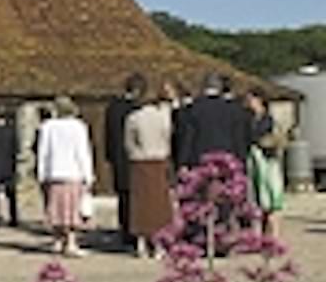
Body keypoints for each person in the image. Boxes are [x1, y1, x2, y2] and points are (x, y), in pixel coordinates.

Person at [36, 96, 96, 258]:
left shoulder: (47, 126)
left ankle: (57, 241)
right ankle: (70, 242)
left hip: (54, 173)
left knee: (56, 209)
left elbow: (43, 152)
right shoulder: (78, 127)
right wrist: (88, 175)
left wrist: (41, 174)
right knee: (71, 209)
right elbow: (82, 152)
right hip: (73, 173)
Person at [124, 95, 174, 258]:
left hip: (140, 162)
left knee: (140, 203)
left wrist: (134, 154)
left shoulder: (133, 118)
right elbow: (167, 138)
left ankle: (141, 244)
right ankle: (159, 245)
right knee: (159, 204)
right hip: (159, 161)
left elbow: (128, 143)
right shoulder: (163, 118)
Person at [105, 73, 145, 248]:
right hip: (133, 156)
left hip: (118, 157)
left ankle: (124, 231)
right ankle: (134, 231)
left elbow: (107, 134)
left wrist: (109, 155)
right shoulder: (136, 110)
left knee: (122, 195)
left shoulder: (113, 108)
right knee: (135, 196)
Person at [178, 73, 250, 169]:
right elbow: (238, 137)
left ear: (203, 87)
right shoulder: (234, 110)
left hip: (199, 160)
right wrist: (242, 161)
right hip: (227, 161)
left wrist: (183, 162)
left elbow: (188, 138)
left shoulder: (192, 109)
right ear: (220, 87)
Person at [245, 89, 285, 238]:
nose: (250, 103)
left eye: (252, 100)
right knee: (256, 198)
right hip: (254, 161)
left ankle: (273, 234)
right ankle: (258, 235)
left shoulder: (268, 120)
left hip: (268, 161)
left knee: (271, 197)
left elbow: (272, 138)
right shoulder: (249, 118)